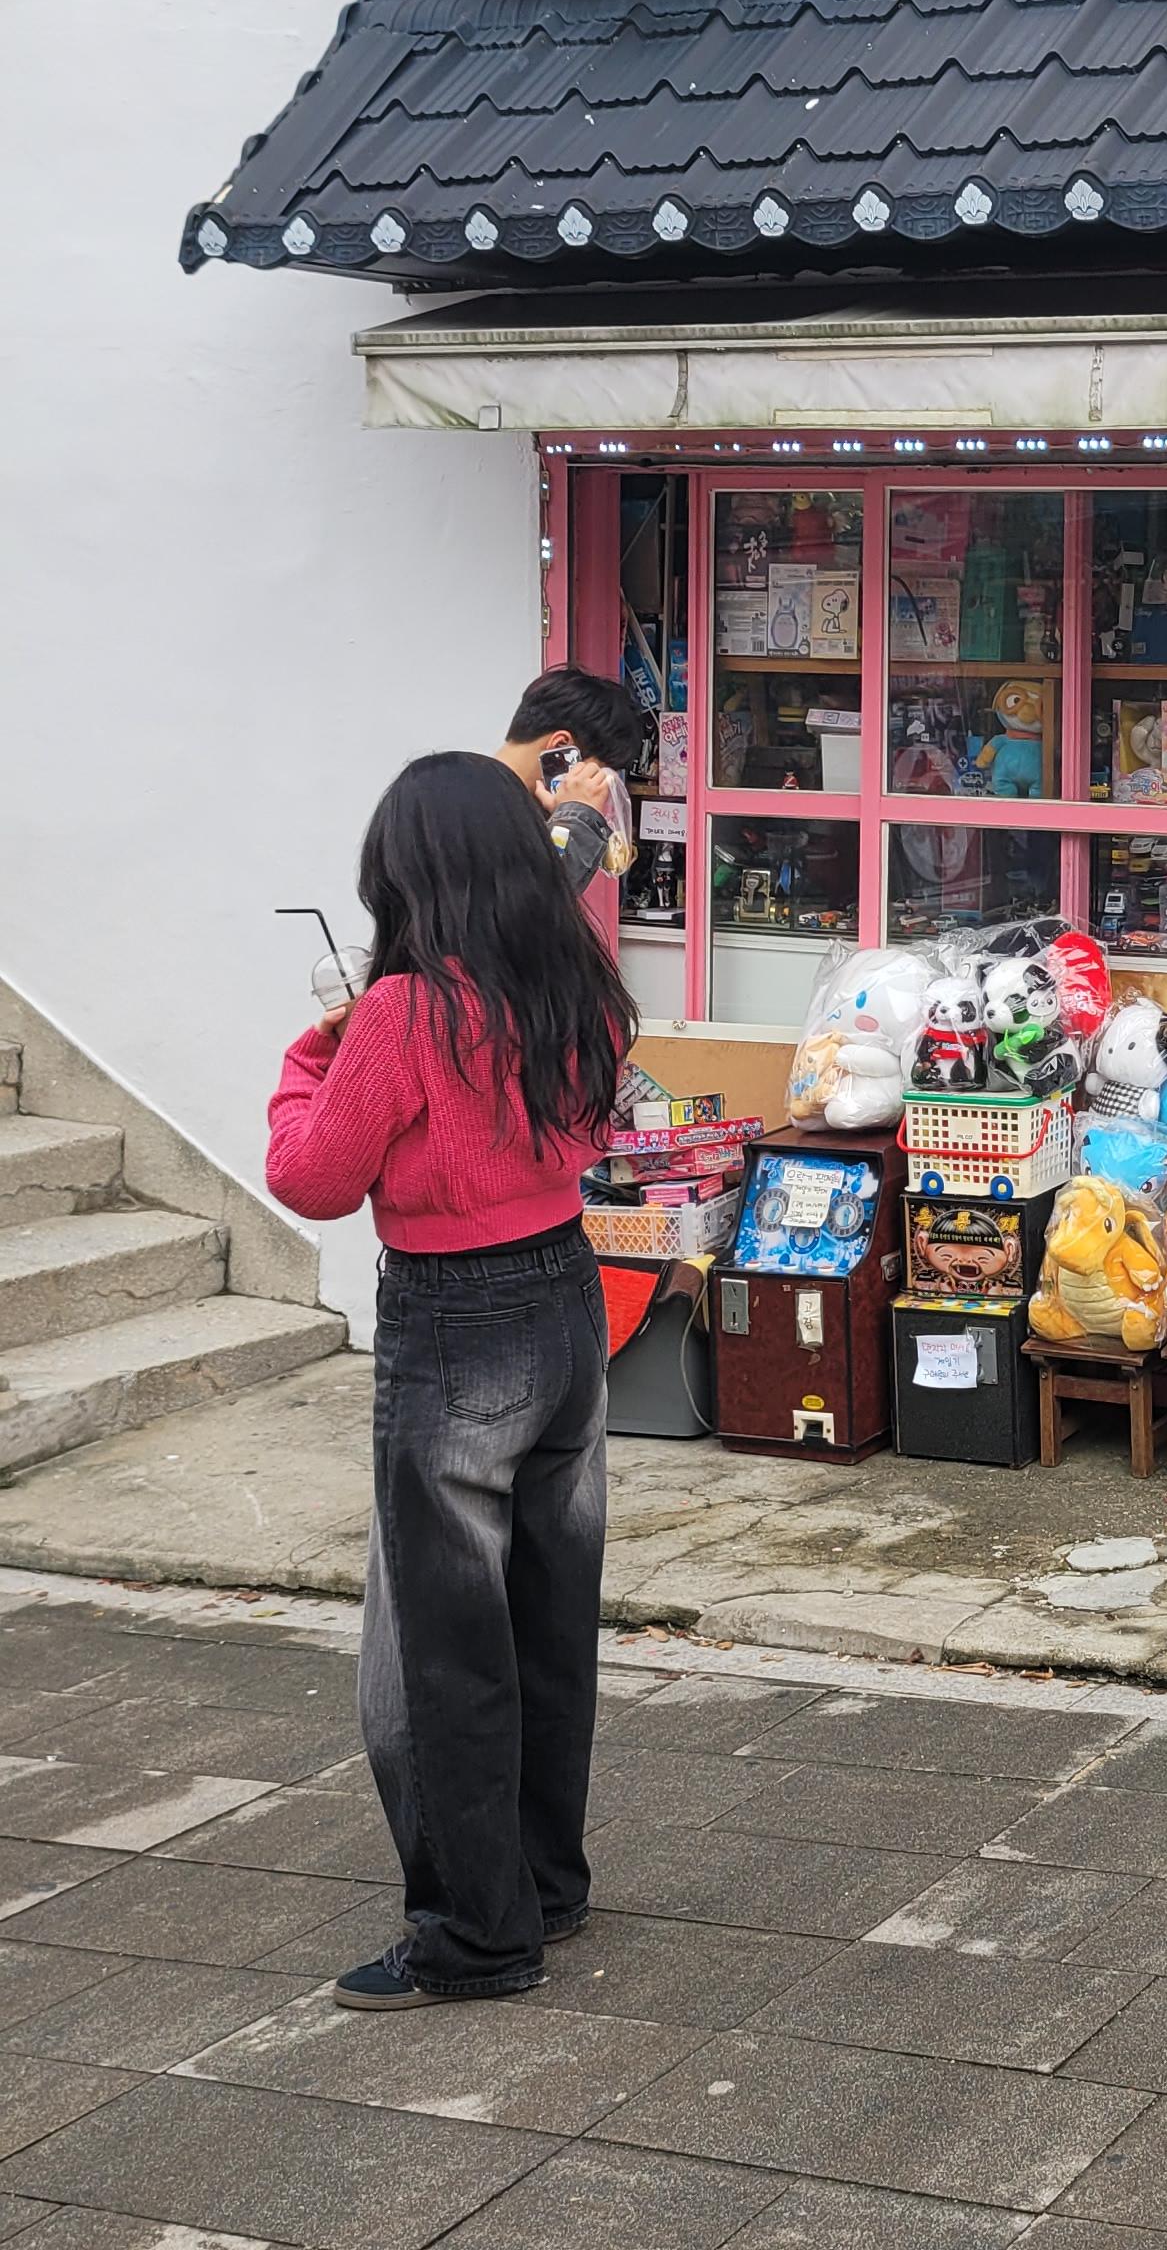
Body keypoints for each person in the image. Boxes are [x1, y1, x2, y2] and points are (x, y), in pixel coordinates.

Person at [266, 752, 636, 2008]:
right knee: (549, 1616)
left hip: (453, 1321)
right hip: (568, 1297)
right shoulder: (578, 986)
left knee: (448, 1642)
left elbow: (314, 1176)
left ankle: (477, 1934)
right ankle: (545, 1882)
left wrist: (307, 1060)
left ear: (408, 874)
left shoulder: (402, 1013)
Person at [494, 667, 646, 896]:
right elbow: (538, 902)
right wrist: (576, 816)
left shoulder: (507, 802)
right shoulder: (482, 807)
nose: (599, 787)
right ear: (561, 747)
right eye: (596, 773)